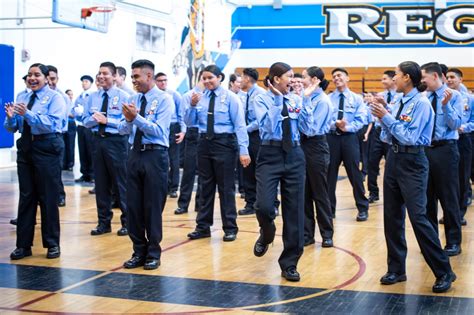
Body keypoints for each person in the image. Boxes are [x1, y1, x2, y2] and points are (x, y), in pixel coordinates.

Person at [371, 60, 456, 294]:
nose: (393, 79)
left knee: (419, 218)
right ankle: (396, 269)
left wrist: (386, 117)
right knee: (392, 216)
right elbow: (389, 137)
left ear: (407, 77)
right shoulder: (398, 100)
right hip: (394, 159)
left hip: (413, 161)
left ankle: (444, 271)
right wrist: (382, 115)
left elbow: (409, 137)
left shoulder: (421, 104)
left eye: (396, 75)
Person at [253, 62, 308, 282]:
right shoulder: (261, 99)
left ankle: (290, 263)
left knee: (294, 212)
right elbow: (266, 127)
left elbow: (308, 128)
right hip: (270, 154)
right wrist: (277, 101)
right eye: (289, 76)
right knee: (265, 206)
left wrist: (304, 101)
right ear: (276, 79)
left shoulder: (295, 99)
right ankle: (267, 234)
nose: (293, 80)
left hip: (294, 155)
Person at [4, 63, 65, 260]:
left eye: (37, 75)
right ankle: (23, 245)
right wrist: (11, 118)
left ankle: (52, 244)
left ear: (47, 78)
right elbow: (13, 128)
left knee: (48, 197)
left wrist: (28, 114)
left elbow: (53, 124)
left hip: (47, 147)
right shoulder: (22, 96)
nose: (32, 78)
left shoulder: (56, 98)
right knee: (27, 197)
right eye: (29, 75)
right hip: (26, 149)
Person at [185, 65, 250, 242]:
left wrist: (244, 150)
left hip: (225, 144)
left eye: (210, 78)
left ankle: (230, 227)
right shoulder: (198, 98)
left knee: (226, 187)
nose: (206, 81)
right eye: (204, 78)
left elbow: (240, 125)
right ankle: (203, 227)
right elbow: (190, 122)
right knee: (205, 187)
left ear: (219, 78)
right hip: (204, 143)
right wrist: (192, 106)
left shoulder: (231, 98)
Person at [119, 59, 173, 270]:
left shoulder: (164, 100)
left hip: (155, 156)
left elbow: (159, 131)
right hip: (134, 155)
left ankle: (153, 253)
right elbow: (124, 130)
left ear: (149, 76)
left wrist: (137, 118)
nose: (134, 81)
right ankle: (138, 251)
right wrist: (128, 120)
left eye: (136, 77)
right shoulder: (133, 99)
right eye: (132, 77)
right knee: (133, 207)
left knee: (152, 207)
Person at [421, 62, 463, 257]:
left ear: (436, 76)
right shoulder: (424, 97)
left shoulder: (455, 96)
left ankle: (453, 241)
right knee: (427, 199)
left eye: (424, 78)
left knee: (448, 197)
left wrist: (446, 107)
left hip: (446, 150)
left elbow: (455, 125)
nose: (422, 81)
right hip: (425, 150)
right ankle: (432, 243)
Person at [83, 61, 129, 237]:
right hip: (97, 141)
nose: (101, 77)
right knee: (101, 183)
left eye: (105, 74)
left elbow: (128, 124)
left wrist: (107, 120)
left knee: (121, 183)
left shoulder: (124, 96)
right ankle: (104, 222)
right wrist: (95, 120)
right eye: (99, 73)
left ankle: (127, 221)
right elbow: (85, 121)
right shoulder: (92, 97)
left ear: (114, 76)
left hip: (116, 142)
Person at [327, 68, 369, 221]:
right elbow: (324, 119)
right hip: (331, 139)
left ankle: (362, 208)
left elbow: (361, 119)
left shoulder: (356, 99)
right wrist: (335, 124)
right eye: (334, 76)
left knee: (354, 174)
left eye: (339, 75)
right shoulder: (328, 98)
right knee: (329, 175)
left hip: (349, 138)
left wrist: (347, 127)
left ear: (347, 78)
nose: (336, 78)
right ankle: (330, 210)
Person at [299, 66, 334, 248]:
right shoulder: (306, 97)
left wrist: (303, 102)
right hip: (302, 146)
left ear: (314, 80)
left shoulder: (322, 101)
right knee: (304, 193)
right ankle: (307, 234)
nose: (300, 80)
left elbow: (311, 129)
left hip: (316, 146)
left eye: (303, 77)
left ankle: (327, 233)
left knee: (319, 193)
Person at [445, 68, 474, 226]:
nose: (449, 80)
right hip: (448, 142)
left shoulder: (469, 99)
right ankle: (449, 213)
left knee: (462, 179)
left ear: (460, 80)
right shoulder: (442, 97)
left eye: (452, 77)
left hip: (463, 140)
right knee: (449, 180)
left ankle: (459, 213)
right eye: (447, 77)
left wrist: (464, 127)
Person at [367, 70, 400, 203]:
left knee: (392, 164)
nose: (382, 81)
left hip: (393, 132)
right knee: (372, 163)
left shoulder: (400, 96)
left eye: (384, 79)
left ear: (393, 79)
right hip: (378, 131)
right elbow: (373, 113)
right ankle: (373, 192)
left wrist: (385, 105)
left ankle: (394, 192)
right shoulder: (380, 95)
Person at [175, 71, 205, 215]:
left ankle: (200, 204)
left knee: (204, 172)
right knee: (189, 171)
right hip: (192, 132)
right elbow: (183, 118)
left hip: (206, 134)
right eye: (203, 79)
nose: (206, 82)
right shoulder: (187, 96)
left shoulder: (211, 97)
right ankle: (183, 204)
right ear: (199, 79)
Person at [238, 68, 266, 216]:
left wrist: (244, 129)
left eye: (241, 77)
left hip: (257, 136)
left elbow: (260, 120)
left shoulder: (260, 94)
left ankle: (270, 203)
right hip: (246, 136)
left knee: (261, 171)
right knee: (247, 170)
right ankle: (250, 203)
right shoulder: (244, 96)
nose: (239, 80)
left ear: (247, 79)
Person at [155, 72, 185, 198]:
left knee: (174, 160)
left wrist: (183, 131)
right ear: (156, 82)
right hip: (159, 128)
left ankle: (173, 187)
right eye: (160, 80)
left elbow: (181, 115)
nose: (163, 82)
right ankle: (163, 185)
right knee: (161, 159)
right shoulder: (154, 96)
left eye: (165, 80)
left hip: (173, 127)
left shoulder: (174, 95)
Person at [47, 65, 70, 208]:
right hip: (41, 137)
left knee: (56, 170)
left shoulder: (62, 97)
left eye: (53, 78)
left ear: (58, 79)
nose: (50, 82)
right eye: (48, 78)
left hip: (57, 135)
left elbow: (61, 119)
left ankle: (60, 195)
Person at [74, 75, 95, 183]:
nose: (84, 83)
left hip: (89, 127)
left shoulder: (93, 95)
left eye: (86, 81)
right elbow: (74, 111)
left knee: (90, 150)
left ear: (91, 83)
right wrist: (77, 113)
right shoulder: (79, 97)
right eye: (83, 82)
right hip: (81, 125)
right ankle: (84, 173)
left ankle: (92, 174)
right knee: (82, 150)